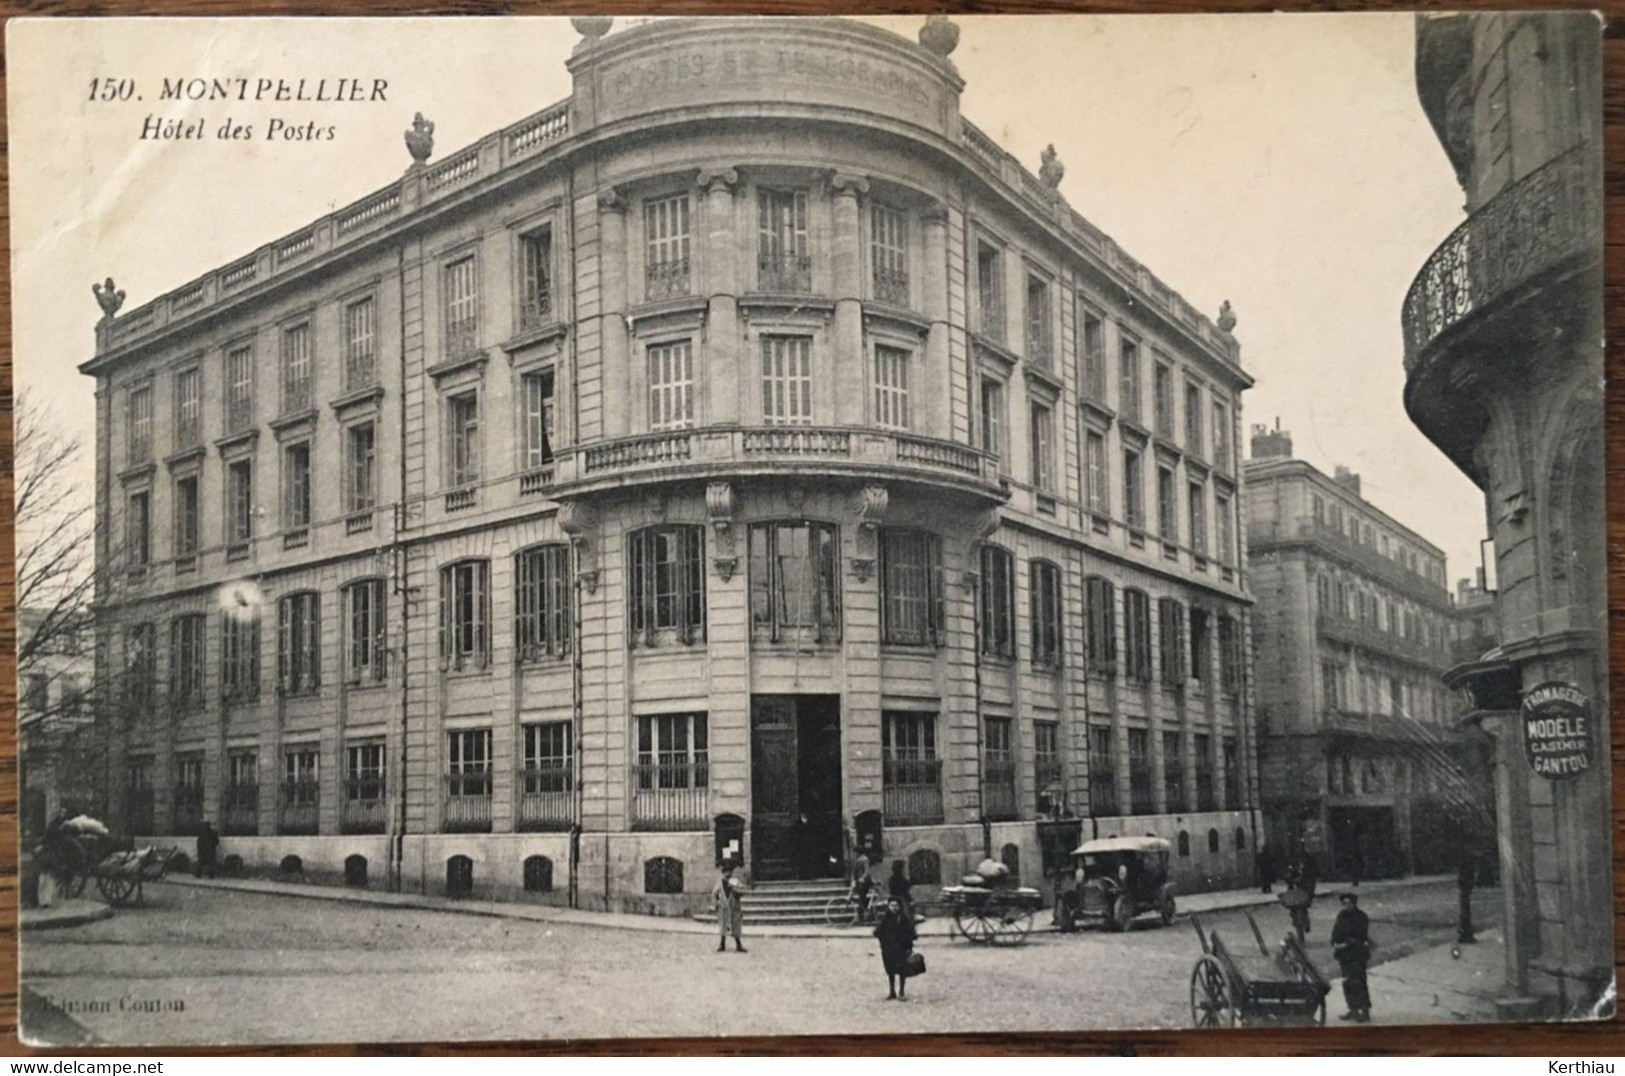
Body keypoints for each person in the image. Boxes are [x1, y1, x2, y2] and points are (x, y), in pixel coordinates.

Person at [1331, 891, 1374, 1022]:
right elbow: (1335, 932)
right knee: (1348, 983)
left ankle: (1365, 1011)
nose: (1347, 905)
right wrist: (1335, 943)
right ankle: (1353, 1009)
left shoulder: (1361, 917)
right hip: (1344, 955)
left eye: (1349, 903)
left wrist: (1346, 943)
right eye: (1344, 903)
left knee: (1359, 982)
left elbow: (1360, 936)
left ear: (1354, 903)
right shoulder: (1341, 915)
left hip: (1357, 954)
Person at [874, 897, 918, 1001]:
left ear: (900, 907)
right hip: (889, 949)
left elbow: (910, 933)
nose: (894, 908)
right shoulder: (885, 919)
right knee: (890, 970)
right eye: (892, 906)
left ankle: (901, 991)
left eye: (896, 906)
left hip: (901, 948)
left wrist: (908, 945)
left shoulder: (903, 919)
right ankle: (892, 991)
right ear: (888, 907)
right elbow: (879, 931)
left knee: (902, 970)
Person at [711, 864, 746, 953]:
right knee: (723, 926)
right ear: (723, 873)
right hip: (723, 907)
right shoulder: (719, 883)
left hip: (734, 907)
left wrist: (735, 890)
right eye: (726, 872)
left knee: (736, 926)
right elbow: (714, 894)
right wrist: (717, 903)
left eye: (730, 872)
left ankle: (739, 945)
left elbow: (743, 891)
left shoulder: (735, 881)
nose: (728, 874)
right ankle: (722, 944)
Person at [1456, 848, 1478, 944]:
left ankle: (1465, 930)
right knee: (1465, 901)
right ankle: (1466, 930)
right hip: (1465, 879)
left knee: (1464, 901)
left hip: (1464, 880)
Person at [849, 854, 875, 922]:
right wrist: (853, 881)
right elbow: (854, 872)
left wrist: (862, 878)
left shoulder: (865, 859)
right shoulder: (856, 859)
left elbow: (867, 871)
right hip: (858, 881)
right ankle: (862, 915)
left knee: (862, 898)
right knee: (860, 898)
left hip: (864, 882)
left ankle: (864, 915)